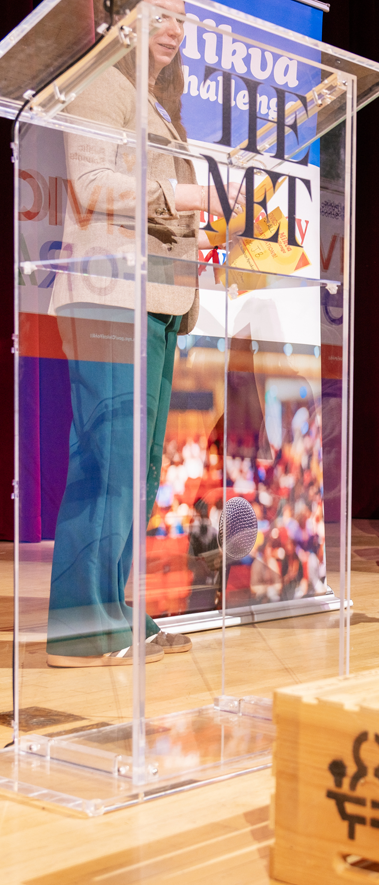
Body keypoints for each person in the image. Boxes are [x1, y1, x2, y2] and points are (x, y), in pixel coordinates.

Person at [44, 0, 244, 666]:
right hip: (108, 295)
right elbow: (92, 183)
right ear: (122, 16)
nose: (174, 29)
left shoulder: (152, 101)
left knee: (141, 463)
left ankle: (114, 607)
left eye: (184, 19)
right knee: (108, 461)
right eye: (161, 11)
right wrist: (188, 197)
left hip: (154, 297)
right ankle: (81, 625)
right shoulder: (100, 82)